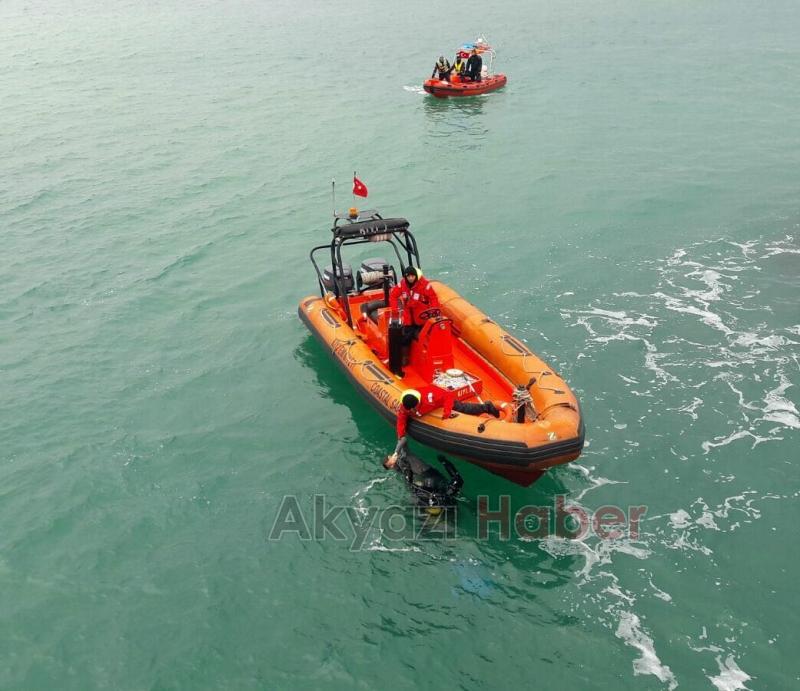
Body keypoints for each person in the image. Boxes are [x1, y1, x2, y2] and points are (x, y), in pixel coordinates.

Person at [389, 388, 500, 462]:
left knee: (462, 408)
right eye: (411, 409)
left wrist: (447, 411)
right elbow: (401, 419)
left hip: (441, 403)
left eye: (414, 408)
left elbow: (448, 395)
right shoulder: (406, 406)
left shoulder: (429, 396)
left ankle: (487, 407)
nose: (412, 410)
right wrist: (401, 435)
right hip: (432, 410)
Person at [384, 449, 463, 512]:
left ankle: (443, 460)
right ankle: (443, 460)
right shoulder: (447, 494)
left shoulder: (446, 495)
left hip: (429, 487)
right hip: (430, 484)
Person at [389, 266, 441, 344]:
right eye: (408, 276)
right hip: (408, 318)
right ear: (405, 277)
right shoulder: (402, 285)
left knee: (427, 338)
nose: (410, 278)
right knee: (405, 339)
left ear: (415, 276)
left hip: (422, 318)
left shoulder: (424, 285)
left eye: (412, 276)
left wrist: (434, 312)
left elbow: (433, 298)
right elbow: (393, 295)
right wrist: (395, 310)